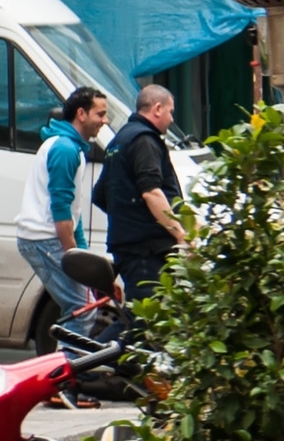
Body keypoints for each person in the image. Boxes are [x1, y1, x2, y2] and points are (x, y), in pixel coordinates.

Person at [13, 84, 108, 326]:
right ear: (81, 114)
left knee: (80, 307)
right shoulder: (65, 149)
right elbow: (61, 211)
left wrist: (83, 258)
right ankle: (68, 364)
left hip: (44, 239)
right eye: (100, 114)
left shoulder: (70, 147)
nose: (105, 121)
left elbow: (71, 212)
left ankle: (68, 361)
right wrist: (74, 259)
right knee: (83, 309)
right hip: (44, 239)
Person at [95, 83, 187, 300]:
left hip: (130, 247)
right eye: (170, 112)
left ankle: (104, 337)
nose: (172, 119)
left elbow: (100, 194)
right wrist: (180, 234)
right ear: (157, 109)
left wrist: (127, 217)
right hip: (146, 250)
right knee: (146, 320)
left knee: (146, 317)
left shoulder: (118, 141)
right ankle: (102, 338)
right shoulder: (145, 140)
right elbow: (151, 192)